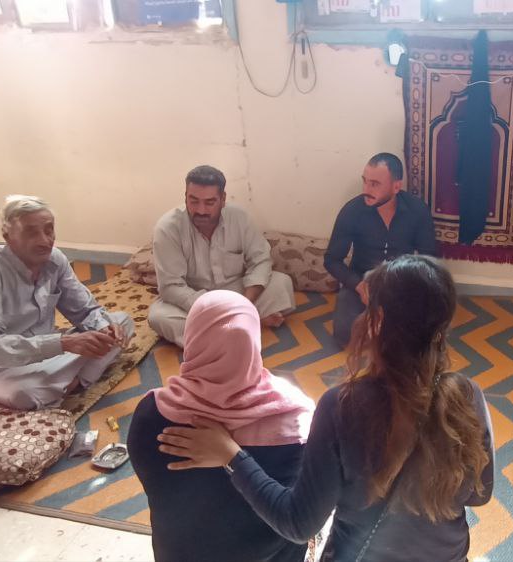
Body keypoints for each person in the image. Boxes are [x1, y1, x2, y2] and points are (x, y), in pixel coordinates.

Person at [159, 255, 494, 562]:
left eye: (367, 308)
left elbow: (298, 524)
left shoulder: (342, 406)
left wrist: (231, 456)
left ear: (377, 320)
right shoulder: (468, 395)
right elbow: (481, 494)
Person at [129, 290, 314, 562]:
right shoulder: (295, 419)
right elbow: (296, 512)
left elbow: (156, 488)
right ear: (254, 341)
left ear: (193, 338)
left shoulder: (151, 413)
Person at [0, 195, 134, 411]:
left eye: (49, 230)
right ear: (7, 236)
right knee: (22, 394)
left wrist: (104, 328)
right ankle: (68, 381)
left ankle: (68, 383)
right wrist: (63, 343)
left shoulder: (54, 259)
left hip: (46, 352)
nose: (45, 241)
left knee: (121, 323)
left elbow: (84, 309)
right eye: (31, 233)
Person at [149, 165, 295, 346]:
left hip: (236, 292)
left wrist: (245, 304)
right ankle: (243, 324)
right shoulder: (167, 229)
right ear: (185, 197)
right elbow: (171, 287)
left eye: (209, 202)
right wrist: (216, 309)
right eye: (193, 201)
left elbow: (260, 261)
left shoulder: (240, 218)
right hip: (195, 300)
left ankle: (220, 332)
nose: (201, 210)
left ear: (223, 199)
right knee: (159, 317)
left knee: (281, 283)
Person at [325, 153, 439, 348]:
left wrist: (409, 286)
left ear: (396, 187)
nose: (366, 190)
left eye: (375, 184)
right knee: (345, 335)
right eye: (365, 181)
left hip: (401, 281)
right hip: (361, 281)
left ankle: (387, 329)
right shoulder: (352, 211)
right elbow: (332, 260)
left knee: (423, 332)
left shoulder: (417, 211)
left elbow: (429, 258)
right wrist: (358, 285)